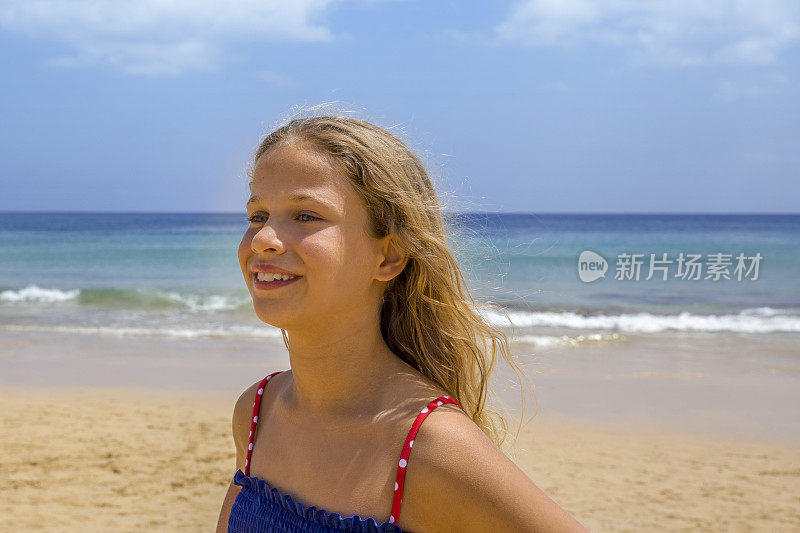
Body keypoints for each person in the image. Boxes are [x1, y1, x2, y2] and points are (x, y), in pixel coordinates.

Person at [216, 113, 588, 532]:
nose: (264, 238)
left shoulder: (431, 446)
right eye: (257, 215)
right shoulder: (257, 412)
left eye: (305, 216)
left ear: (389, 256)